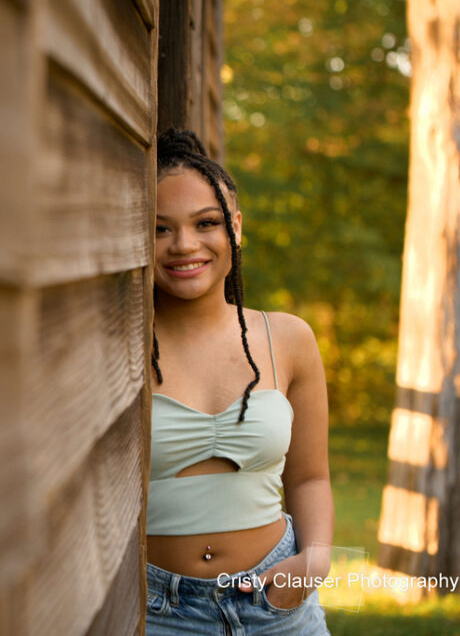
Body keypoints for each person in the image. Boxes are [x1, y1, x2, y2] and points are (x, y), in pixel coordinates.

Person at [145, 129, 333, 635]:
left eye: (206, 223)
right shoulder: (121, 349)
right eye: (160, 228)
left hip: (278, 603)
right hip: (160, 613)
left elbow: (310, 477)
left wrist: (313, 563)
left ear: (236, 227)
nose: (185, 245)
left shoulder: (287, 338)